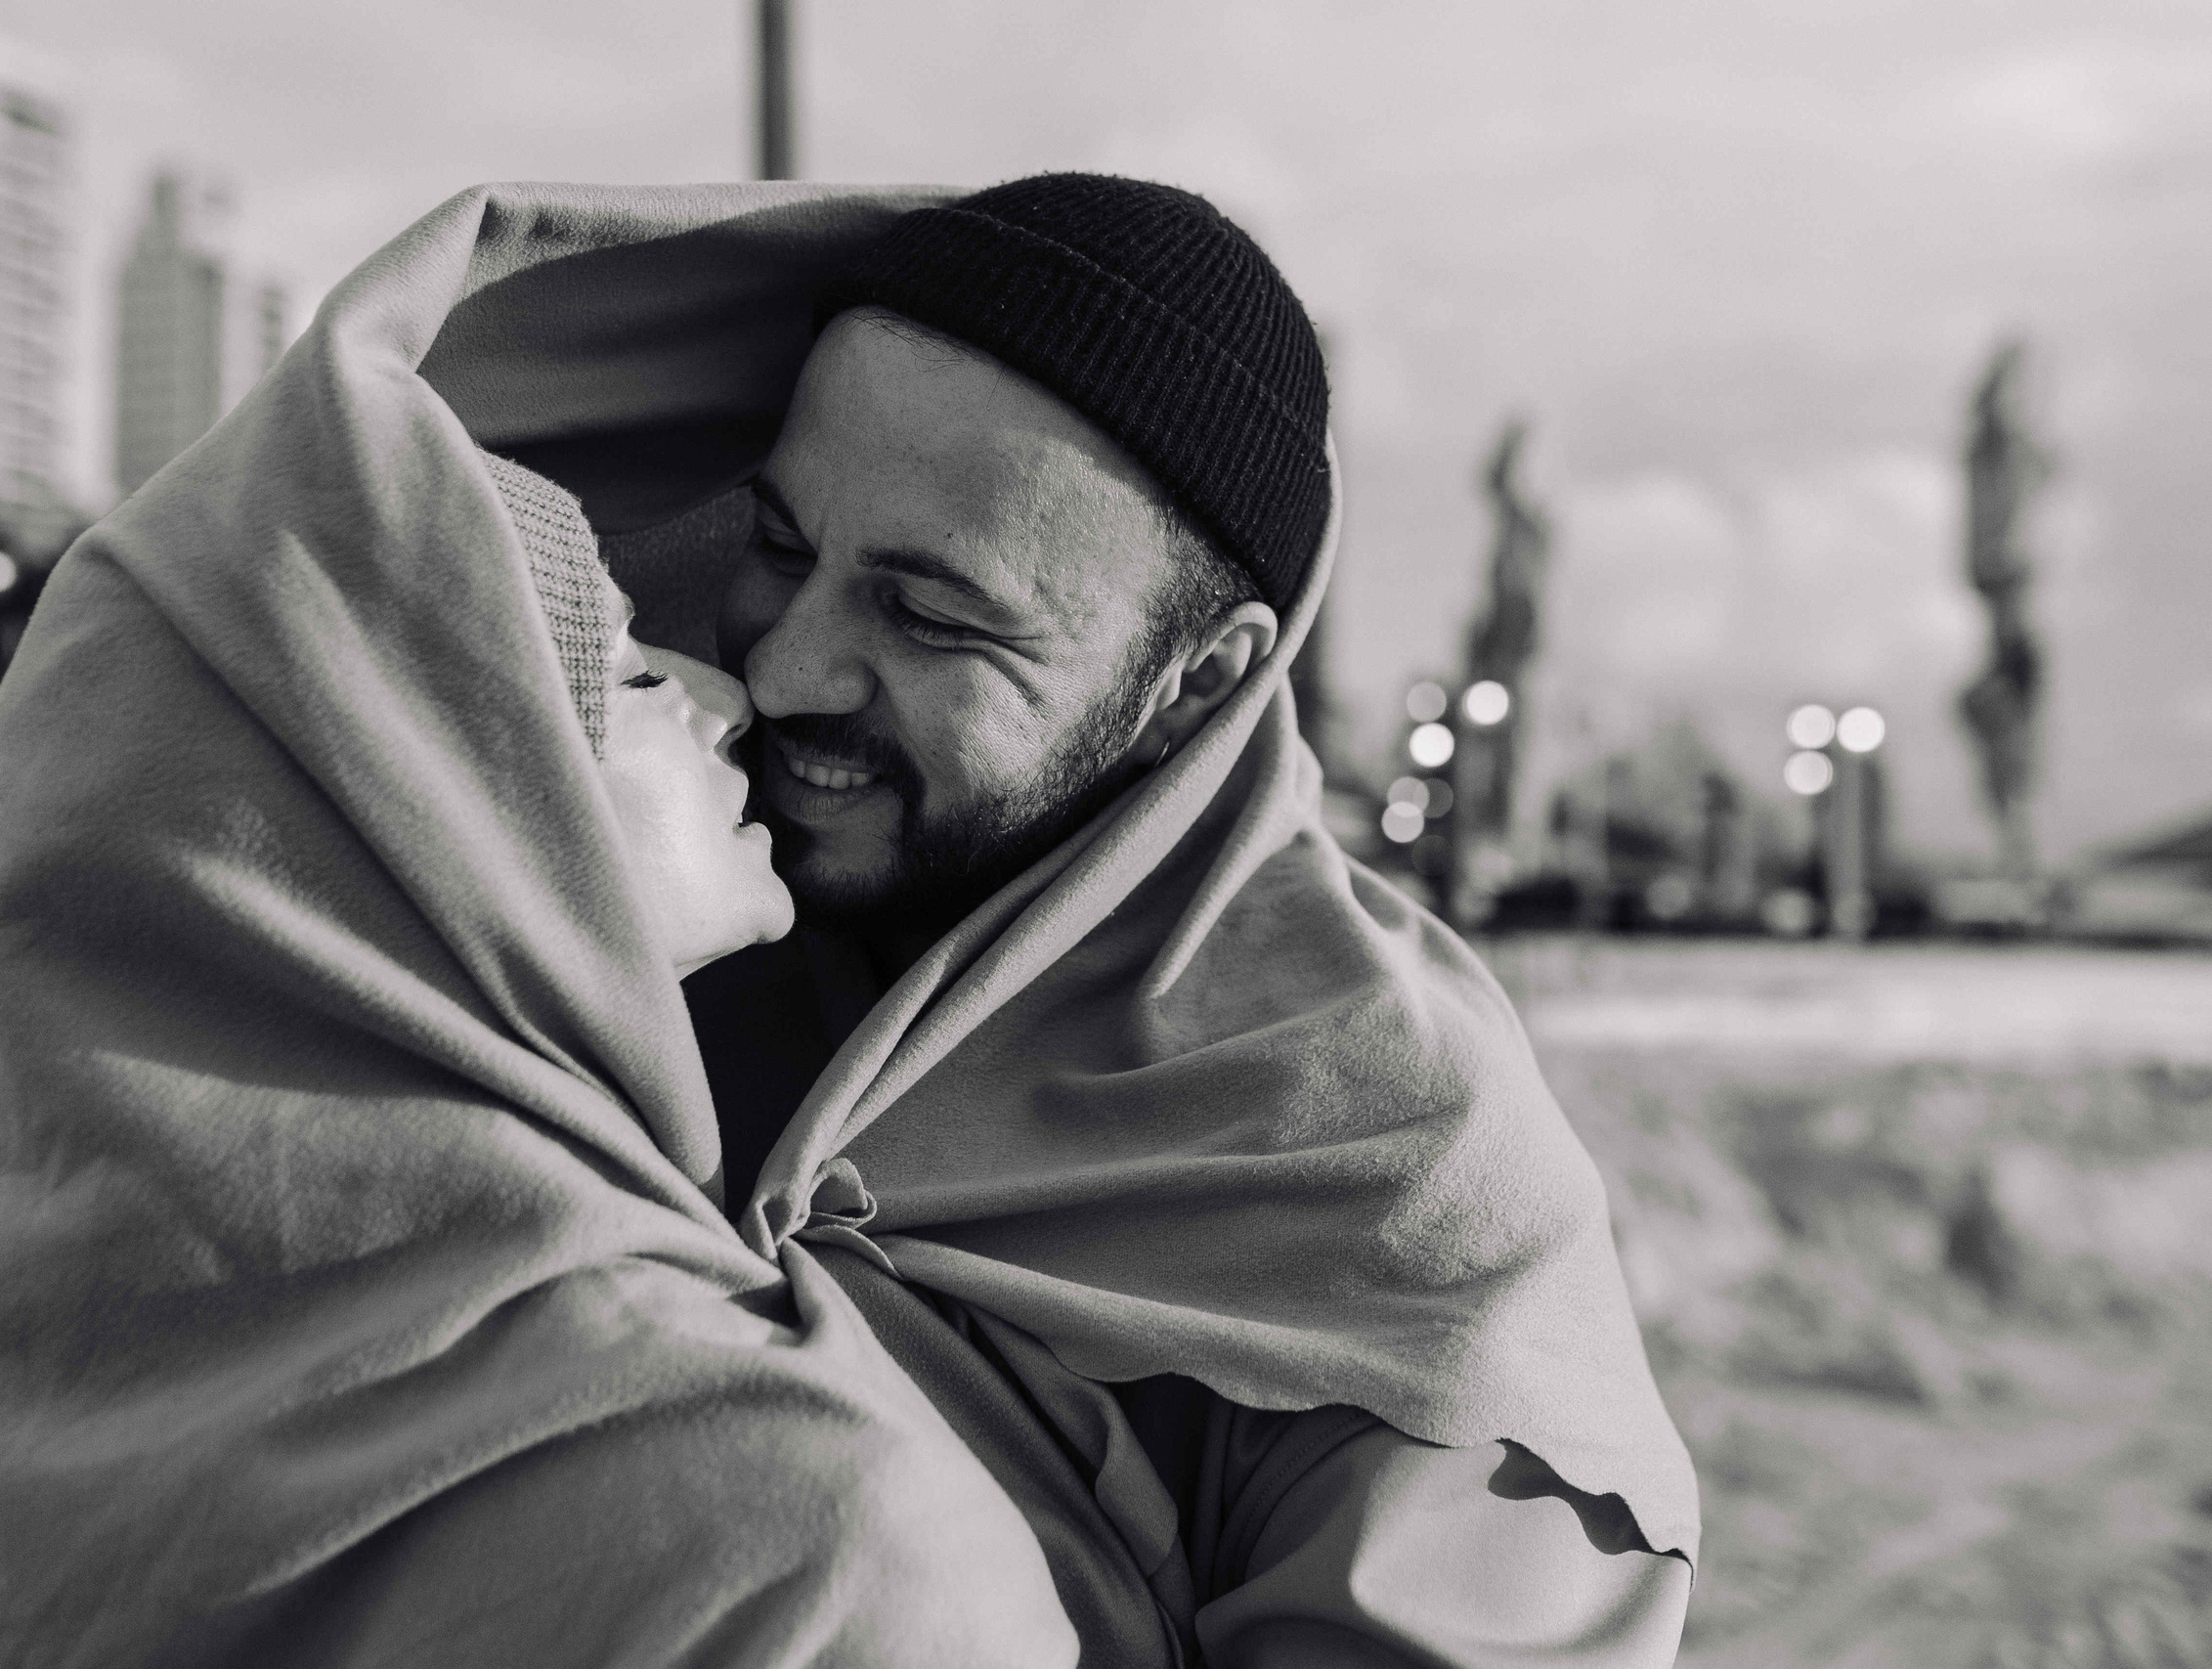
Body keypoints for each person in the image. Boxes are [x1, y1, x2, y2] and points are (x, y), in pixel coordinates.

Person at [0, 186, 1077, 1669]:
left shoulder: (56, 1364)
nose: (735, 693)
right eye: (628, 678)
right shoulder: (815, 1543)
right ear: (457, 820)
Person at [682, 174, 1703, 1666]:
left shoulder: (1398, 1186)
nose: (783, 669)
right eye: (779, 544)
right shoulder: (651, 902)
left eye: (932, 617)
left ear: (1197, 683)